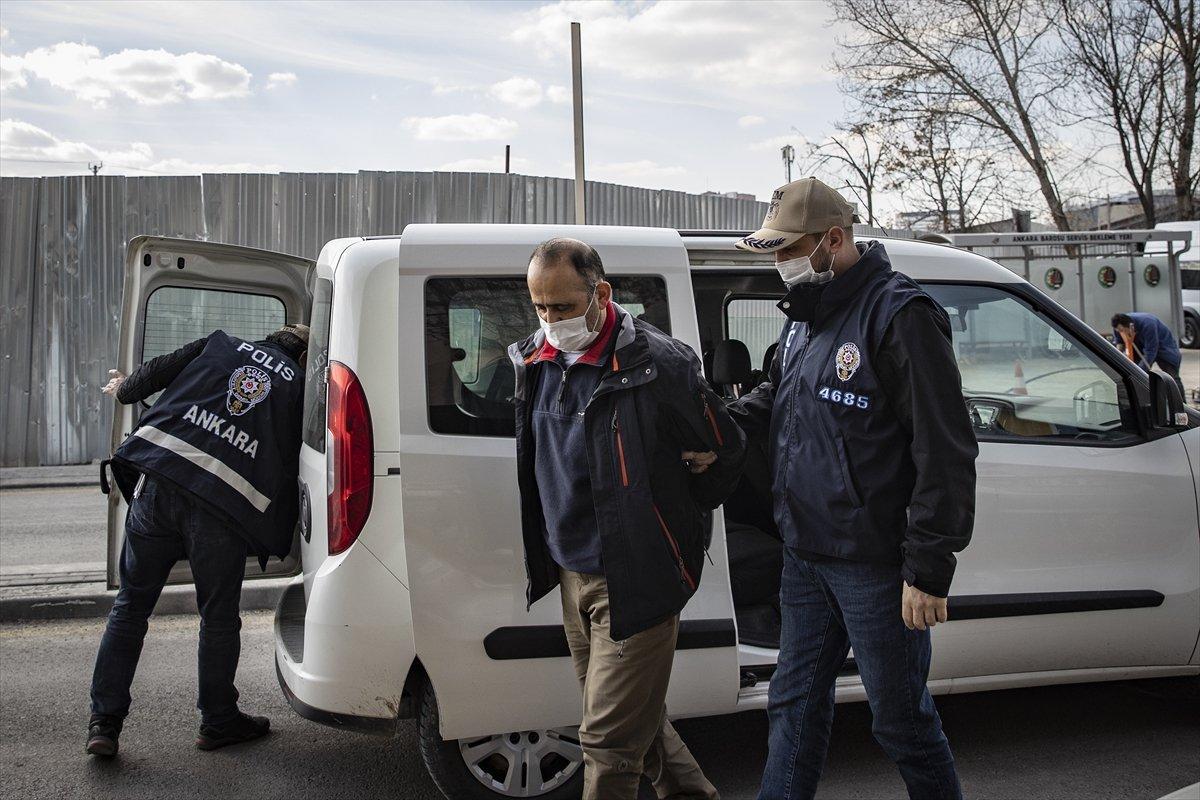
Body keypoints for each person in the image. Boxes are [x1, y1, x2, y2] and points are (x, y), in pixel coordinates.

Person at [727, 178, 978, 800]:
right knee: (793, 708)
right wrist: (712, 423)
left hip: (875, 564)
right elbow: (779, 397)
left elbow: (944, 447)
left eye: (787, 249)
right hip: (806, 553)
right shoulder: (806, 317)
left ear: (832, 240)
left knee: (901, 721)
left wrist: (927, 566)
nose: (780, 263)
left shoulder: (900, 315)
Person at [509, 238, 746, 800]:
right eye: (540, 308)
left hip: (637, 574)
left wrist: (678, 518)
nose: (551, 320)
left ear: (601, 293)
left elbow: (727, 449)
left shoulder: (660, 365)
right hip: (572, 569)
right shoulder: (534, 360)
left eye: (563, 307)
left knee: (609, 744)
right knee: (636, 720)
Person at [86, 324, 309, 757]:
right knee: (219, 618)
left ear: (270, 336)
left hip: (158, 485)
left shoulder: (220, 345)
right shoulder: (299, 385)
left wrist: (122, 387)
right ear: (302, 355)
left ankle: (104, 725)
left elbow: (142, 382)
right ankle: (218, 720)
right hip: (219, 509)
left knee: (130, 609)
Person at [1112, 312, 1185, 396]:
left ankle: (1181, 404)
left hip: (1163, 346)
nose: (1122, 333)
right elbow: (1119, 344)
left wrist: (1138, 371)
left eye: (1122, 330)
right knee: (1134, 375)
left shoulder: (1148, 323)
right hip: (1140, 345)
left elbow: (1151, 351)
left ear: (1130, 326)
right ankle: (1142, 400)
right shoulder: (1118, 326)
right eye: (1119, 331)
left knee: (1172, 377)